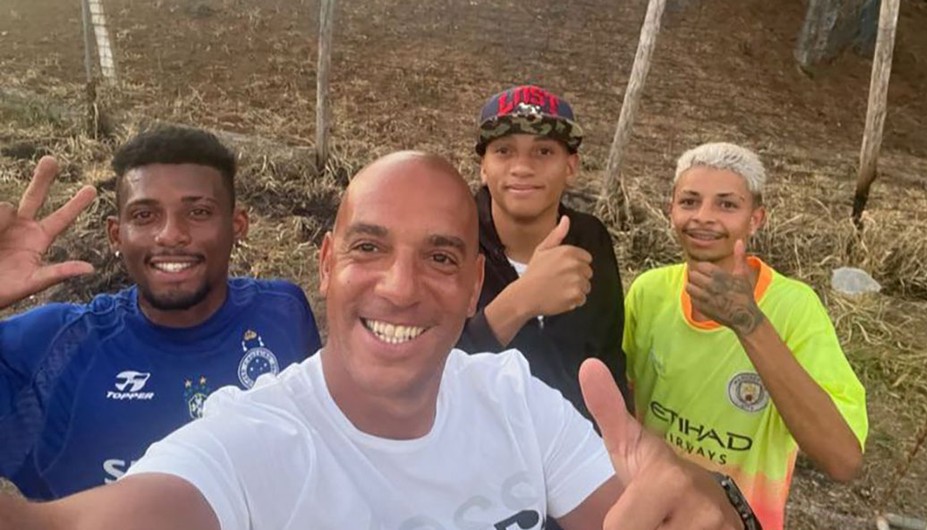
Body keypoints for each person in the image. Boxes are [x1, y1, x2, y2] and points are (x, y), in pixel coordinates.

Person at [0, 151, 757, 530]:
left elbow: (643, 516)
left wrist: (706, 505)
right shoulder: (249, 444)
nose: (399, 286)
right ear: (326, 264)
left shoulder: (515, 400)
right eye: (369, 248)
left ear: (474, 286)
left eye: (440, 257)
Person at [0, 126, 321, 500]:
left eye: (198, 212)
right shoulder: (53, 348)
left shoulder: (284, 312)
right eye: (144, 215)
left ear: (237, 226)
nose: (170, 234)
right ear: (116, 234)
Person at [622, 142, 868, 530]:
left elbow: (842, 459)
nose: (703, 217)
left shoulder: (793, 308)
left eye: (726, 205)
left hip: (739, 521)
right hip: (649, 513)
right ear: (671, 210)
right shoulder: (649, 292)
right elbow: (624, 405)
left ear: (756, 219)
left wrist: (748, 322)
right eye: (689, 201)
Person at [457, 85, 627, 421]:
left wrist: (619, 435)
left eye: (544, 151)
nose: (522, 167)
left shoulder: (591, 240)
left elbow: (608, 358)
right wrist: (519, 302)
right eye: (504, 151)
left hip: (576, 446)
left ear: (571, 167)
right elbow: (425, 372)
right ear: (483, 167)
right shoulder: (452, 242)